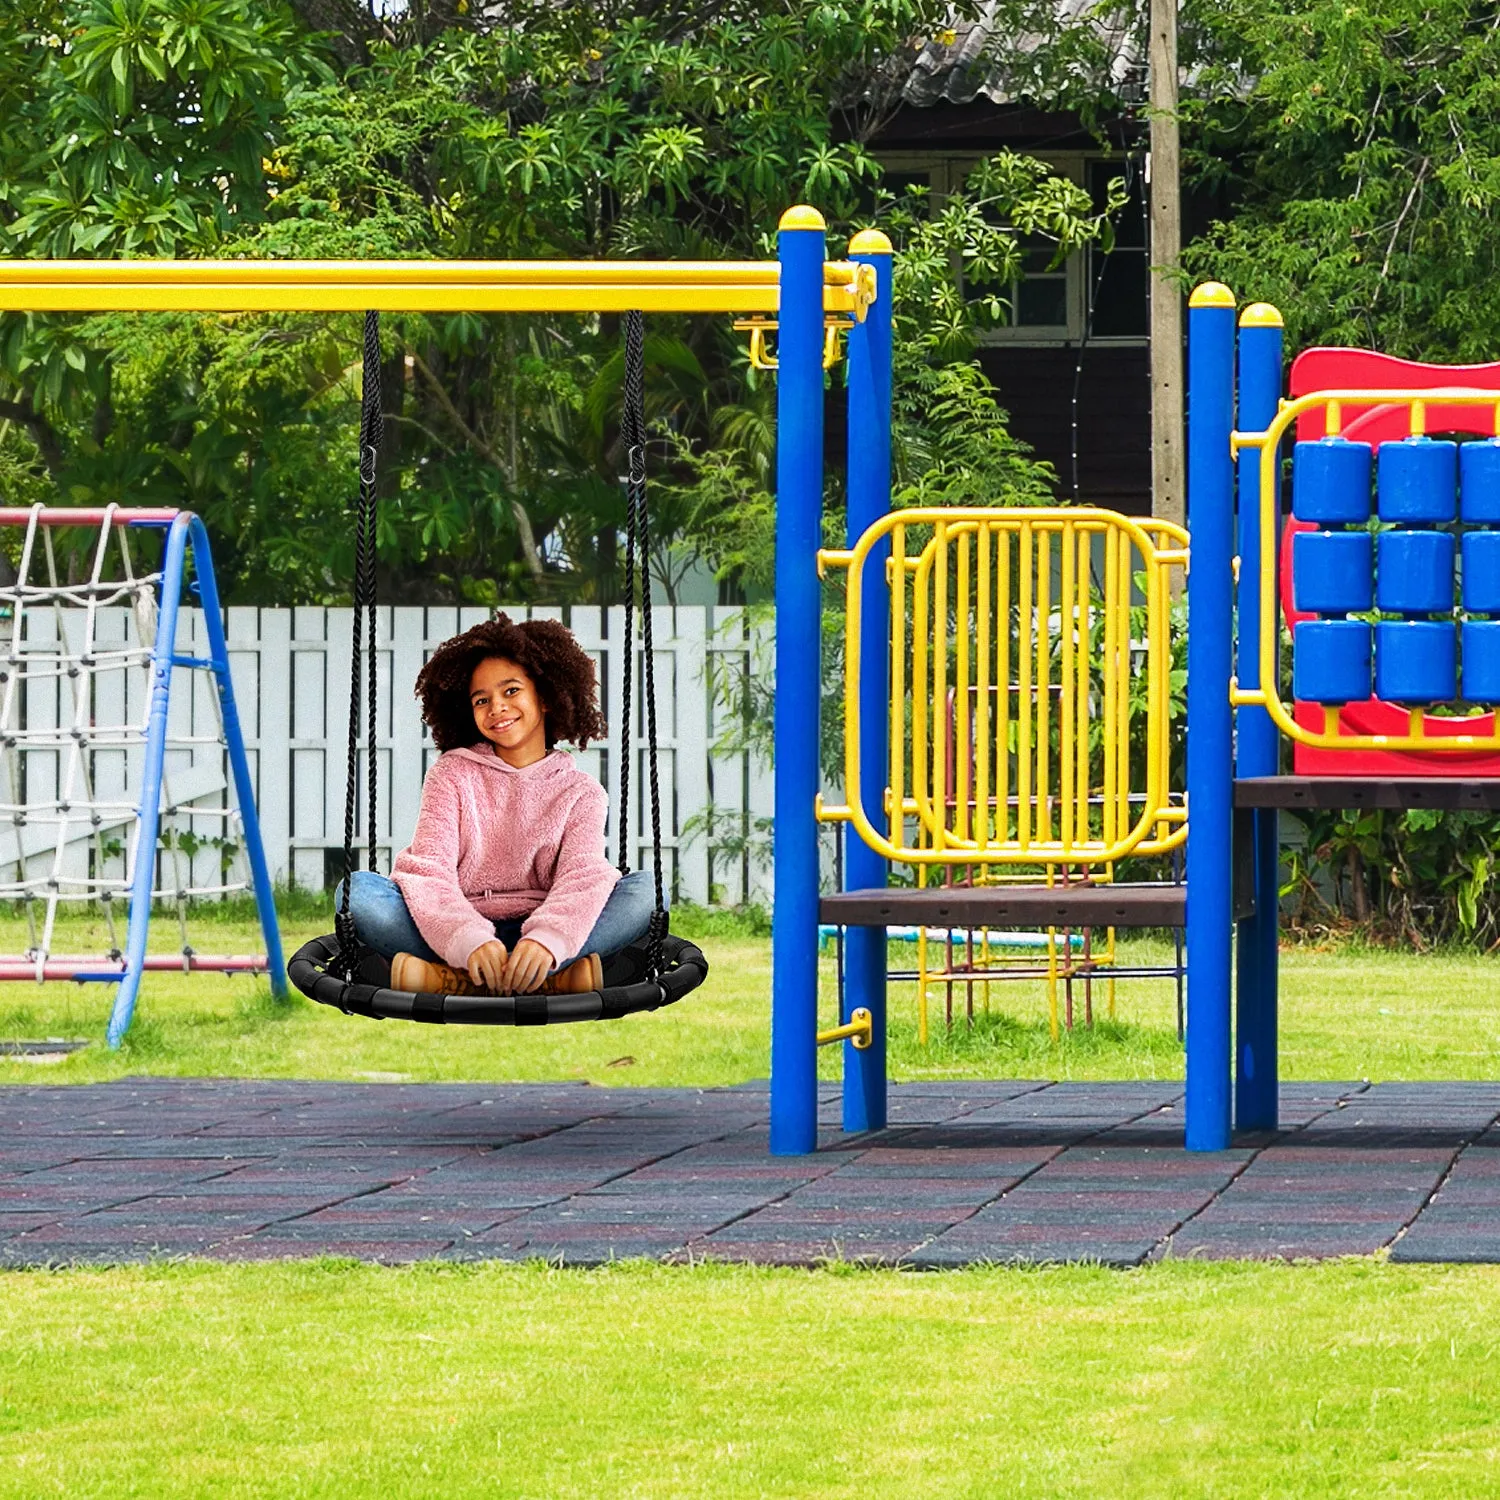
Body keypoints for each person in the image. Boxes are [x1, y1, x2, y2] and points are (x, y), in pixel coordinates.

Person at [339, 615, 657, 996]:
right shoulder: (451, 775)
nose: (496, 708)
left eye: (511, 691)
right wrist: (467, 938)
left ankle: (466, 980)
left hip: (547, 929)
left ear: (545, 696)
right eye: (481, 700)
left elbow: (582, 876)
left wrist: (546, 940)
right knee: (357, 892)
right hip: (457, 929)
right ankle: (543, 982)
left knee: (648, 891)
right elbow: (428, 871)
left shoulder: (581, 792)